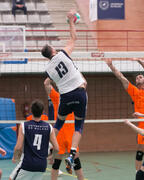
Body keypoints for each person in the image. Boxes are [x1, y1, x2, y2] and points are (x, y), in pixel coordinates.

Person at [42, 9, 87, 174]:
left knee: (58, 123)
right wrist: (71, 21)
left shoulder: (48, 69)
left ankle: (46, 147)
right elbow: (74, 39)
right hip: (80, 93)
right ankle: (72, 153)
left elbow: (47, 82)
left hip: (65, 97)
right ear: (53, 51)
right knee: (79, 126)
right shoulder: (62, 54)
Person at [105, 58, 144, 171]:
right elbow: (121, 78)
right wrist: (111, 66)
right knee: (140, 149)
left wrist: (139, 61)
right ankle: (138, 172)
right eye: (137, 77)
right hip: (143, 124)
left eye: (140, 76)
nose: (138, 77)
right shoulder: (134, 91)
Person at [44, 78, 85, 179]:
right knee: (76, 162)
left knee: (56, 163)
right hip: (71, 135)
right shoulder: (75, 97)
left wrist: (53, 74)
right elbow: (84, 83)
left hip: (59, 134)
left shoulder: (58, 97)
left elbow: (46, 83)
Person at [9, 100, 59, 180]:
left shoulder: (24, 125)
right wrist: (52, 158)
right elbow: (56, 148)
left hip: (27, 164)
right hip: (41, 166)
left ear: (31, 111)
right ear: (43, 112)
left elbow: (18, 147)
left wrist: (14, 157)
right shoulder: (49, 127)